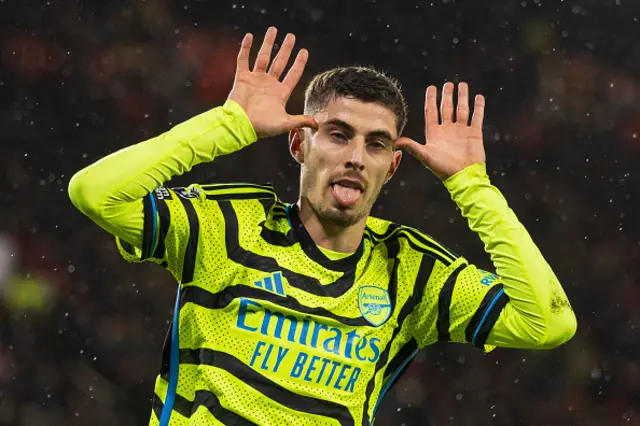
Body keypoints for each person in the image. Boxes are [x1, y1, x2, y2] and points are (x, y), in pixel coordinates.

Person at [68, 27, 577, 426]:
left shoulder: (412, 273)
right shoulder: (227, 225)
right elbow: (95, 192)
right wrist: (229, 125)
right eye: (337, 134)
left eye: (376, 144)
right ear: (299, 144)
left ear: (391, 166)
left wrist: (472, 188)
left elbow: (549, 322)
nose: (356, 157)